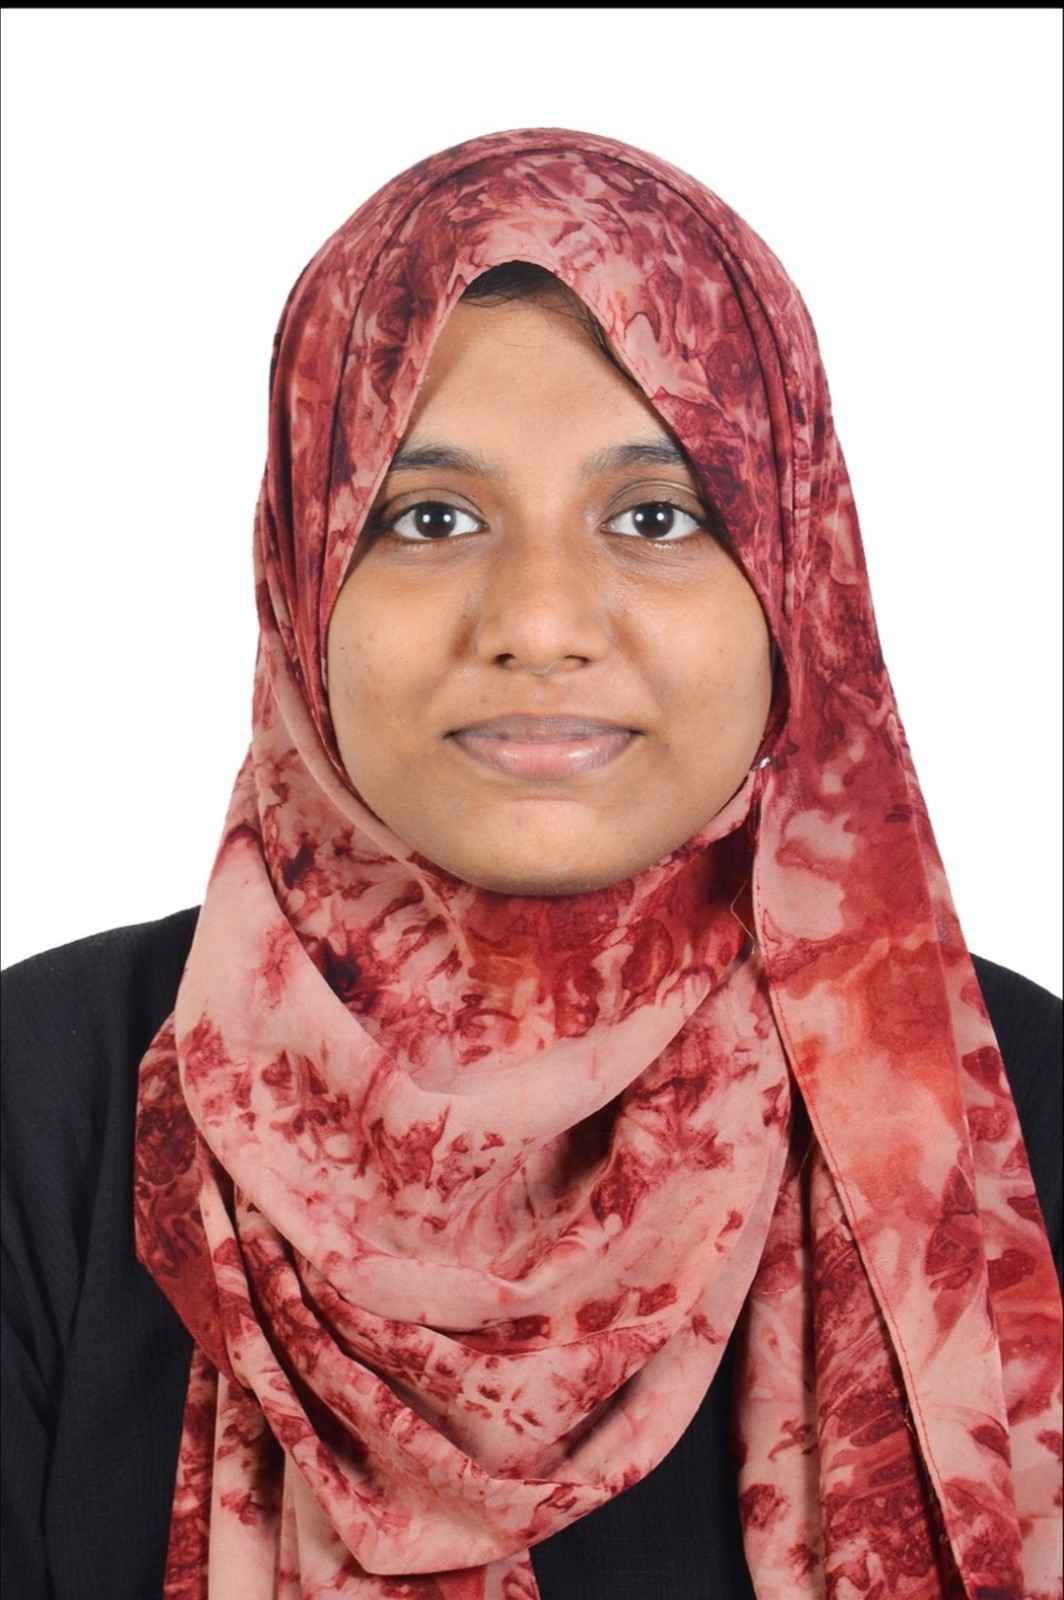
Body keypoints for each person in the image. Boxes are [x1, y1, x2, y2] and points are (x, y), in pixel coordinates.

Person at [2, 125, 1061, 1600]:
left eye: (657, 516)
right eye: (430, 518)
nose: (542, 621)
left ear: (792, 579)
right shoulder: (44, 1102)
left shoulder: (1006, 1115)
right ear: (303, 571)